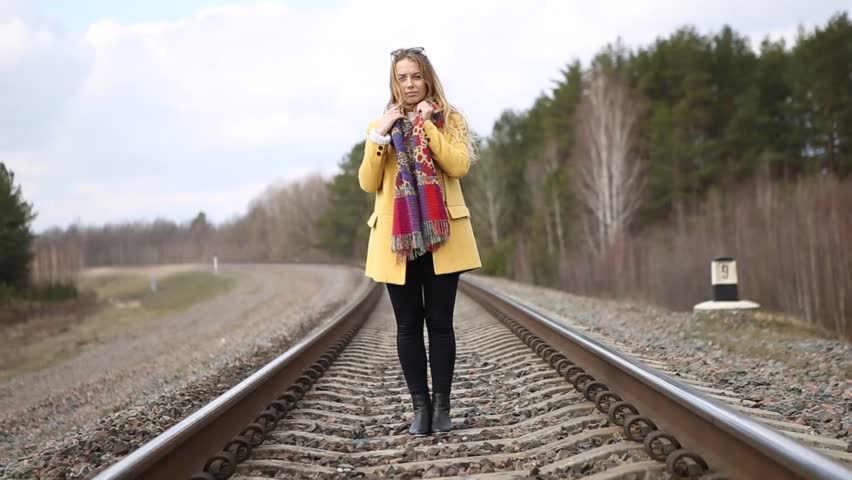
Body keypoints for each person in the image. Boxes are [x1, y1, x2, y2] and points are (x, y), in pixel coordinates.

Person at [358, 47, 481, 436]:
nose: (409, 84)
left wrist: (427, 126)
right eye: (402, 77)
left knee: (440, 324)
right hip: (400, 239)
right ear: (394, 82)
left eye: (416, 76)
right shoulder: (380, 126)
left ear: (428, 78)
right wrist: (380, 134)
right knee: (408, 325)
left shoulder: (450, 119)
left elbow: (458, 166)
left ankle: (442, 409)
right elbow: (368, 182)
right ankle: (420, 409)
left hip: (443, 235)